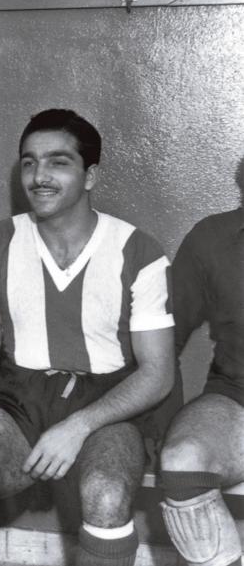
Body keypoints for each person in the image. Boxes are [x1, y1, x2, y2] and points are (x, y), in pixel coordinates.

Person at [0, 108, 176, 566]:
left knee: (105, 493)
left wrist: (78, 426)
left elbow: (158, 373)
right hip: (19, 397)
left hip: (107, 402)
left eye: (58, 162)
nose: (39, 175)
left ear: (90, 175)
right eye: (28, 162)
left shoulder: (137, 250)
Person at [155, 160, 244, 566]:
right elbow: (163, 339)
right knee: (181, 459)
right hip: (235, 398)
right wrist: (154, 424)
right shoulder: (212, 239)